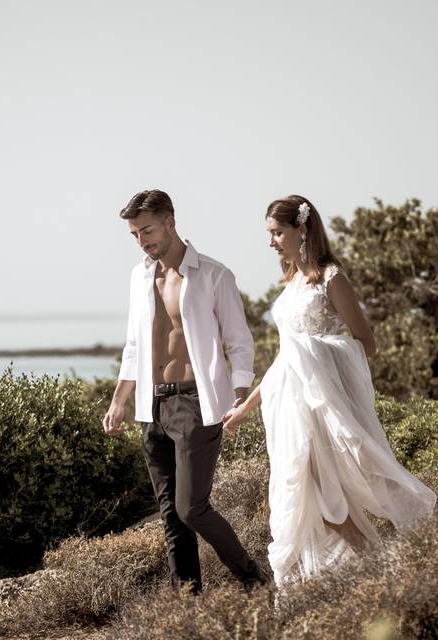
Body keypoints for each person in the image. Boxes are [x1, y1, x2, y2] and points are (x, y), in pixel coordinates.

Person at [222, 195, 436, 585]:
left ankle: (387, 566)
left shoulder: (331, 277)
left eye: (276, 233)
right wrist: (245, 408)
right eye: (269, 233)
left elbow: (365, 342)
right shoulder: (290, 283)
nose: (271, 242)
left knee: (329, 493)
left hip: (324, 405)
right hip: (291, 406)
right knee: (310, 494)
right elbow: (285, 359)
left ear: (301, 229)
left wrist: (315, 349)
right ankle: (376, 569)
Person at [103, 189, 269, 593]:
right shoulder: (139, 276)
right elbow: (135, 344)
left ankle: (253, 578)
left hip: (196, 403)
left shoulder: (213, 275)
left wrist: (240, 394)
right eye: (134, 234)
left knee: (191, 508)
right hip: (153, 405)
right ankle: (187, 605)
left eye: (147, 230)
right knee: (171, 517)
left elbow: (239, 341)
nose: (142, 240)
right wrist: (119, 401)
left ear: (170, 222)